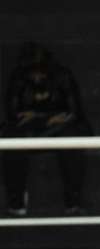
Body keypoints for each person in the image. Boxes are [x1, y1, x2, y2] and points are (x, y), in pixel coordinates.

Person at [1, 42, 92, 216]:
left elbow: (74, 112)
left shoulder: (63, 76)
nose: (37, 77)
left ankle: (73, 203)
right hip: (28, 130)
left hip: (60, 129)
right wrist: (43, 117)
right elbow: (13, 113)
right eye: (32, 72)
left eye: (40, 71)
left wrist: (43, 116)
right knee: (12, 143)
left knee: (71, 140)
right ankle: (16, 202)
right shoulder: (18, 78)